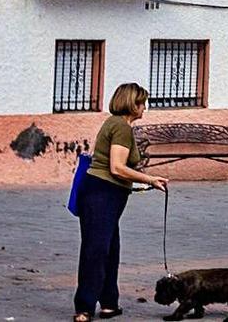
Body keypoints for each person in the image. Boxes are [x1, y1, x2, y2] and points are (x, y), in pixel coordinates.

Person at [73, 83, 169, 322]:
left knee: (110, 249)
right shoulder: (121, 127)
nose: (144, 108)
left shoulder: (115, 124)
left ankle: (108, 303)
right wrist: (150, 179)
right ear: (131, 104)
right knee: (96, 250)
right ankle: (84, 308)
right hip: (102, 194)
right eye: (142, 103)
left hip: (104, 193)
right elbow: (117, 168)